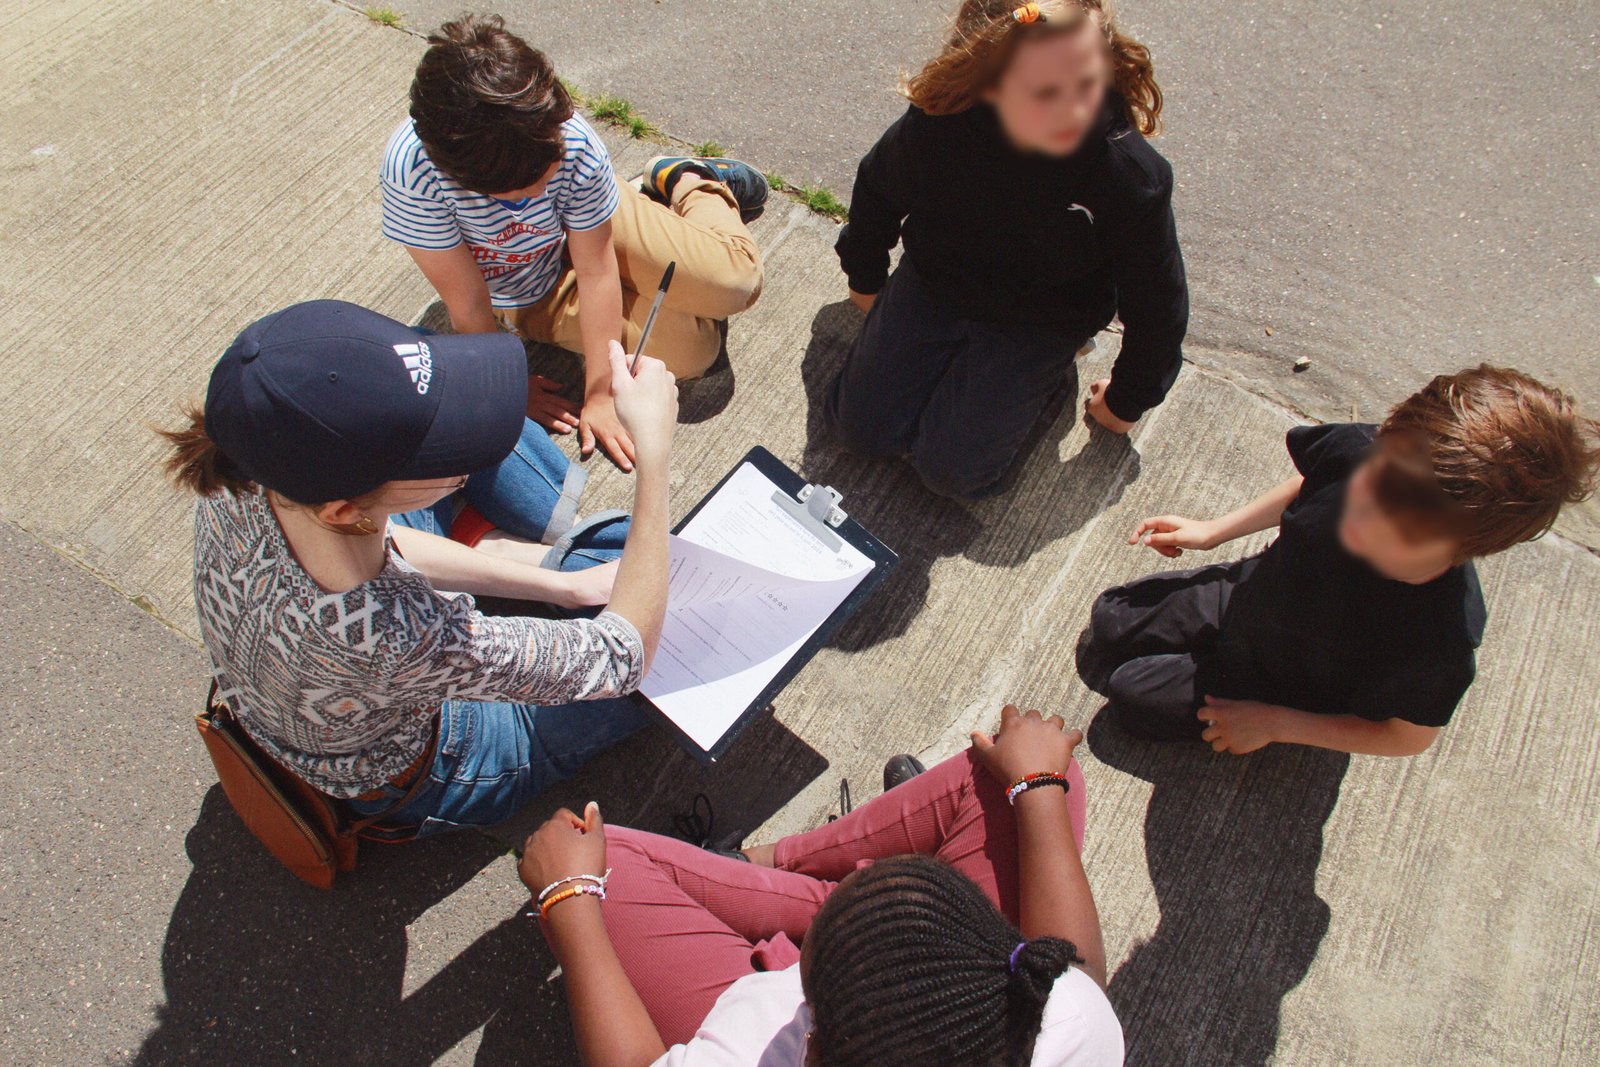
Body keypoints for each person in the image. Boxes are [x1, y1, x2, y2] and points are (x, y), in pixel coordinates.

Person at [160, 299, 679, 835]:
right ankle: (516, 533)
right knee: (672, 635)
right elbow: (620, 658)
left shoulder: (252, 466)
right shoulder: (396, 632)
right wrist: (655, 451)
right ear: (343, 509)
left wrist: (560, 587)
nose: (466, 458)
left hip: (326, 695)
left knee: (420, 386)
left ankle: (501, 543)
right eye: (444, 457)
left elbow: (380, 537)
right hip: (435, 763)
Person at [517, 705, 1123, 1065]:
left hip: (748, 1012)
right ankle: (775, 868)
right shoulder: (1056, 1025)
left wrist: (568, 898)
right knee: (1025, 782)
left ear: (813, 1047)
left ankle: (768, 879)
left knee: (607, 865)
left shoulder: (757, 1041)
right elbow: (1078, 974)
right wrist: (1038, 784)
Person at [1089, 365, 1600, 756]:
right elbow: (1310, 480)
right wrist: (1214, 531)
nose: (1361, 516)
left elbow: (1409, 736)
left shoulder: (1439, 638)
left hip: (1289, 685)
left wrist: (1274, 724)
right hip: (1248, 596)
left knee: (1130, 698)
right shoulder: (1366, 454)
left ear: (1465, 547)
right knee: (1110, 618)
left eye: (1399, 529)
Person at [827, 0, 1188, 500]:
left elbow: (1159, 301)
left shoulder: (1128, 175)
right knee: (857, 432)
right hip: (936, 283)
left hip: (1041, 320)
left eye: (1087, 81)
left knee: (951, 473)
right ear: (989, 81)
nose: (1075, 109)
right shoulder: (943, 118)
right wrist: (865, 275)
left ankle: (1048, 384)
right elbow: (878, 187)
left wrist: (1127, 399)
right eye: (1044, 92)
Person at [382, 14, 767, 473]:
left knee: (736, 282)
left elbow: (597, 270)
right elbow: (468, 304)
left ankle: (687, 178)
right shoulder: (412, 172)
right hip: (529, 289)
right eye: (522, 193)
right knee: (693, 353)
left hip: (593, 233)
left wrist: (600, 391)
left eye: (550, 173)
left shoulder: (565, 138)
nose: (540, 195)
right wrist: (507, 389)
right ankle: (661, 234)